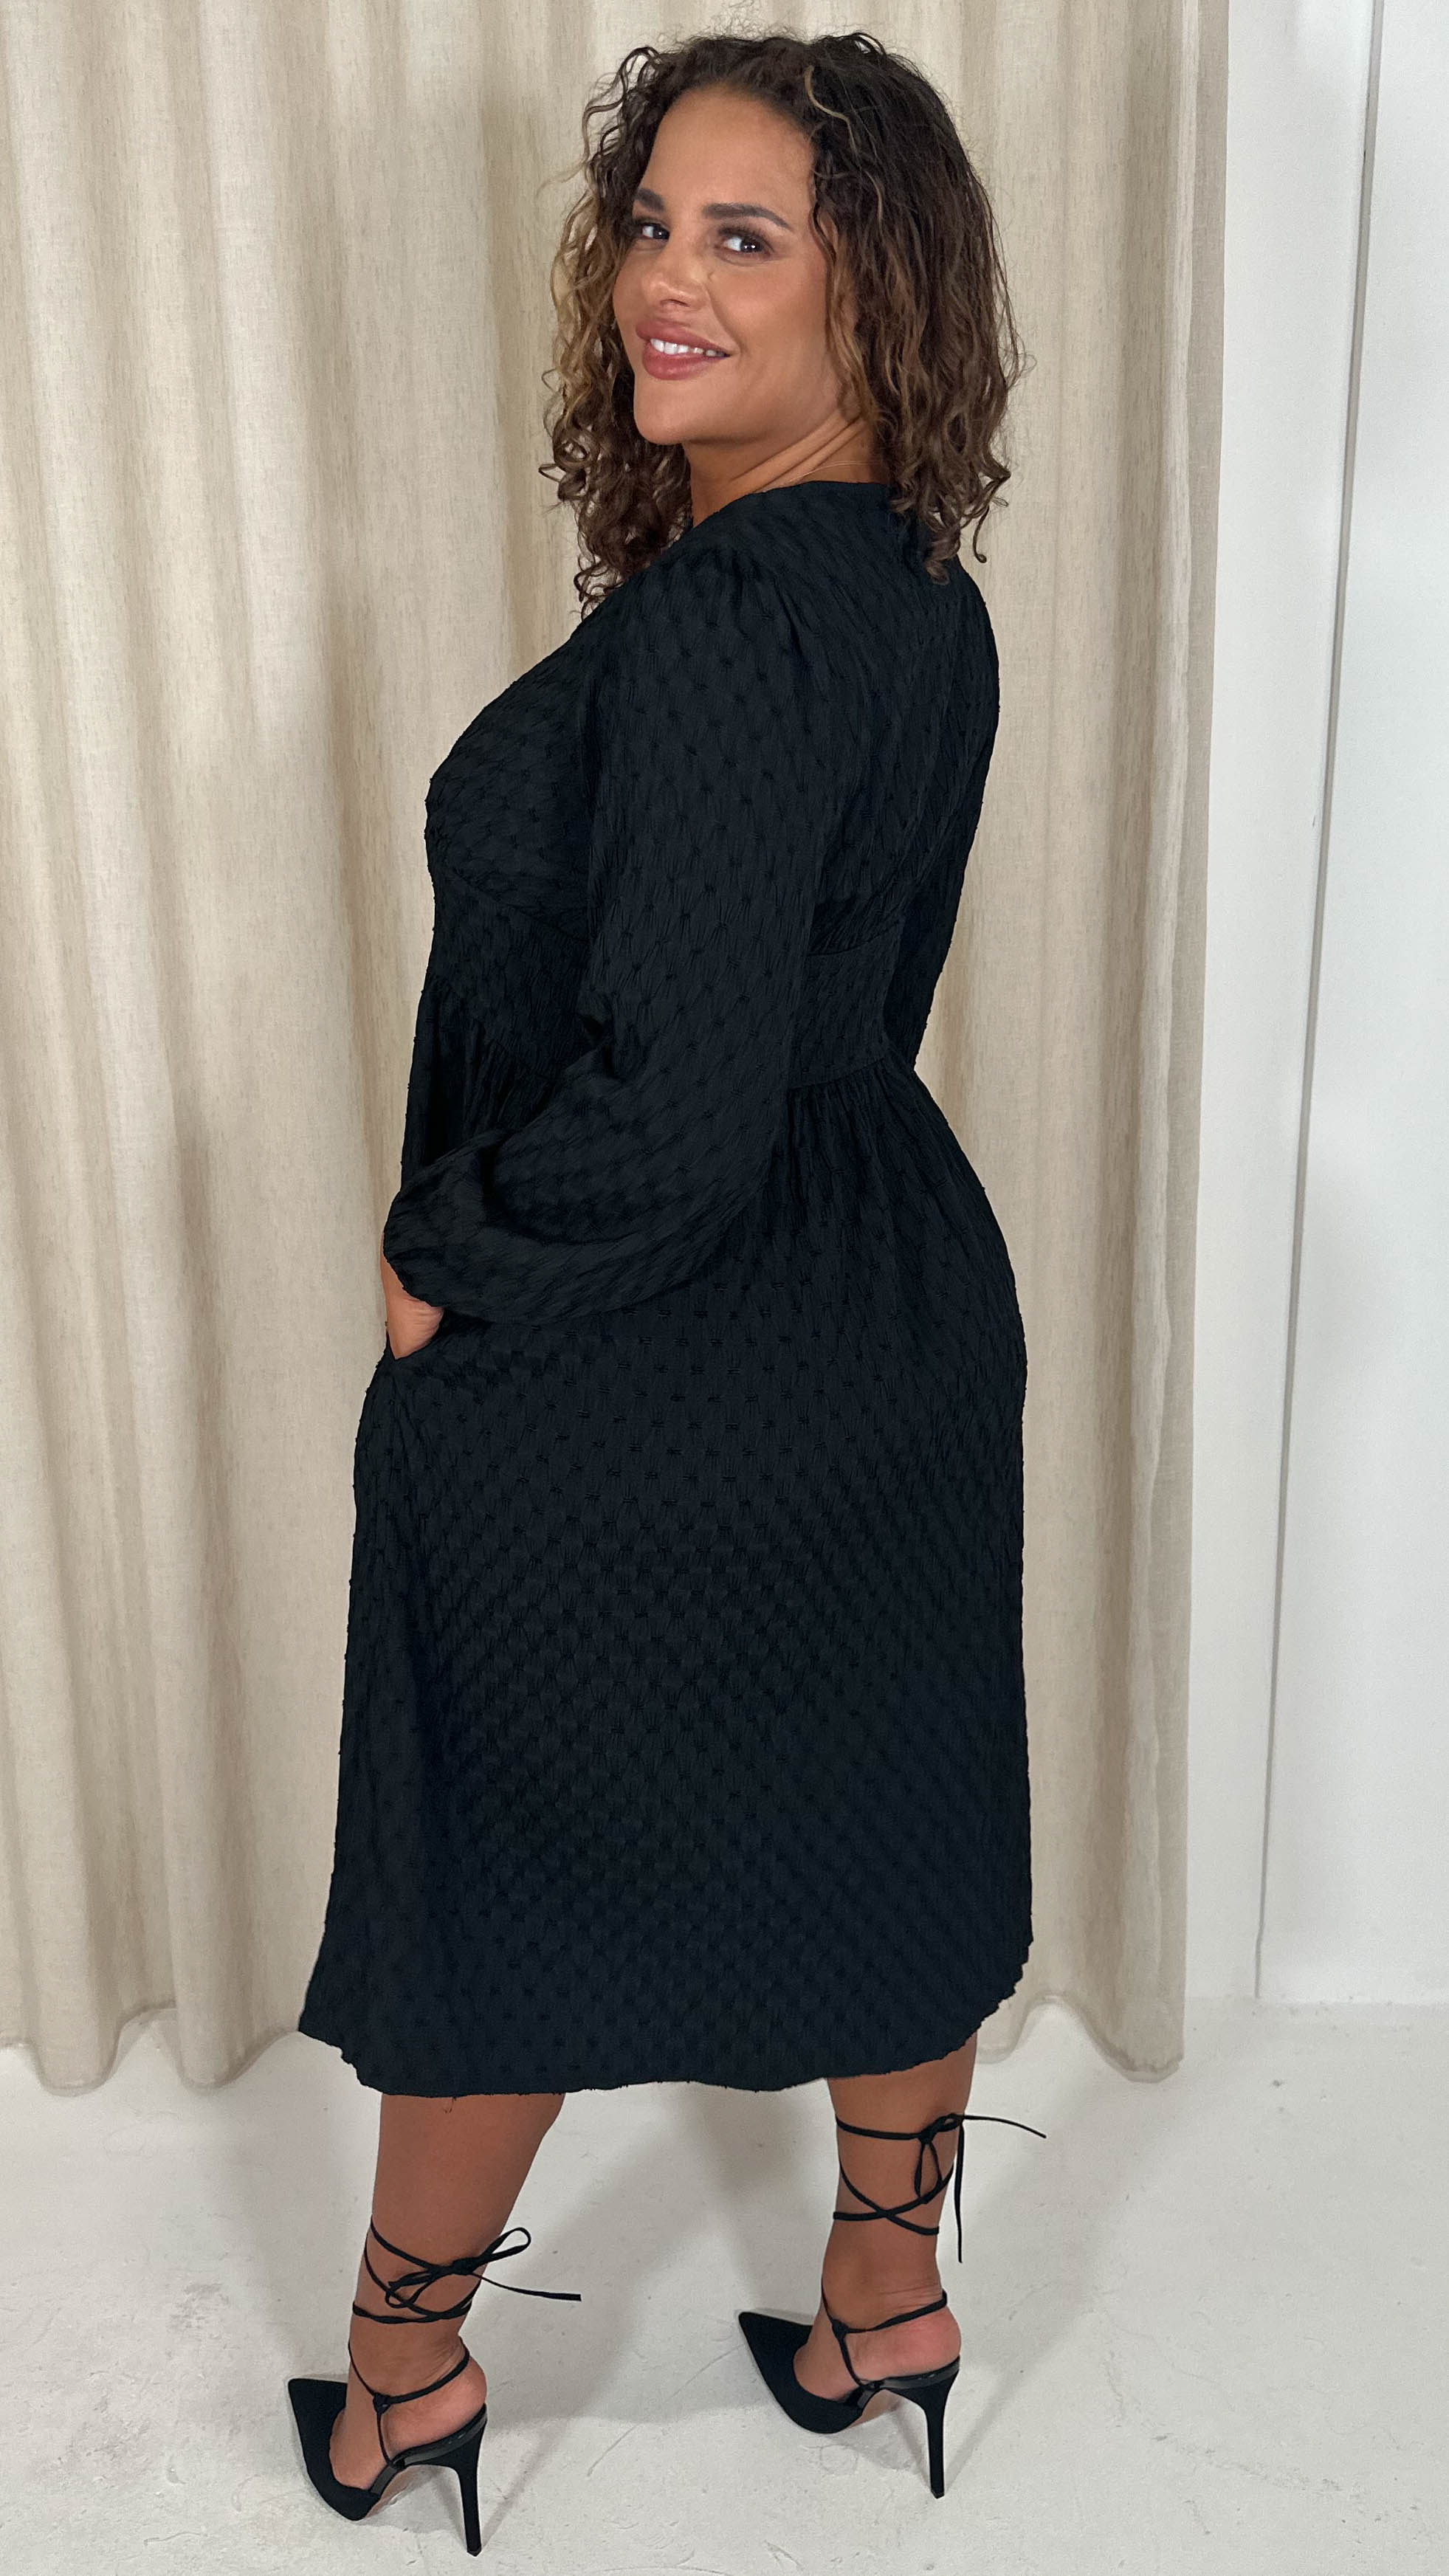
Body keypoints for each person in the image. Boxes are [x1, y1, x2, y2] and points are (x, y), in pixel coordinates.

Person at [288, 27, 1041, 2551]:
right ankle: (884, 2303)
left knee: (500, 1846)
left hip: (655, 1321)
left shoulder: (723, 626)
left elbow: (671, 1104)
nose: (663, 284)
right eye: (649, 226)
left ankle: (404, 2376)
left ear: (874, 291)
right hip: (885, 1302)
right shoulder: (916, 591)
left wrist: (441, 1259)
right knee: (887, 1789)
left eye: (744, 237)